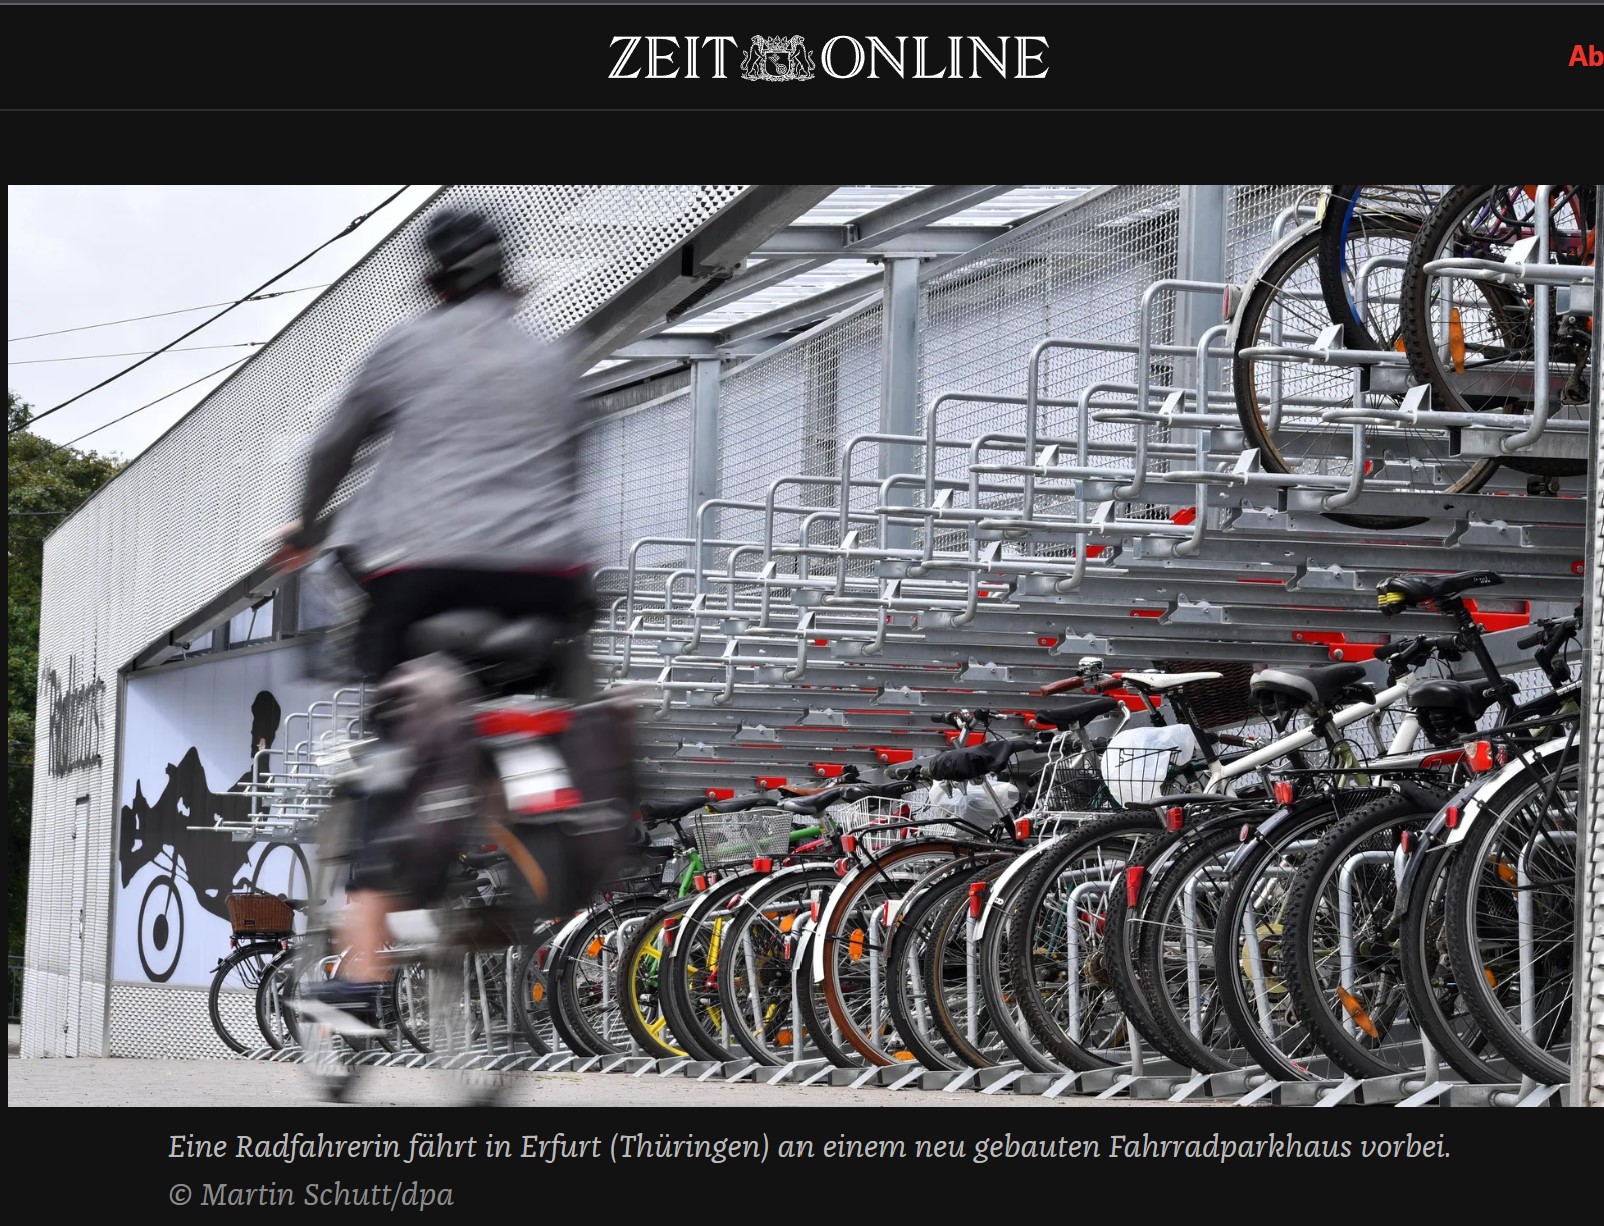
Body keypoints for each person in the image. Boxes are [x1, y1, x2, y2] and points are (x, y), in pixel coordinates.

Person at [266, 205, 599, 1031]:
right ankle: (523, 822)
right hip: (547, 581)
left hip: (423, 580)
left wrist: (304, 532)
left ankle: (366, 976)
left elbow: (331, 447)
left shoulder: (405, 346)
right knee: (528, 703)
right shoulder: (555, 357)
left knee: (391, 747)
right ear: (505, 274)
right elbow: (572, 465)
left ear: (434, 279)